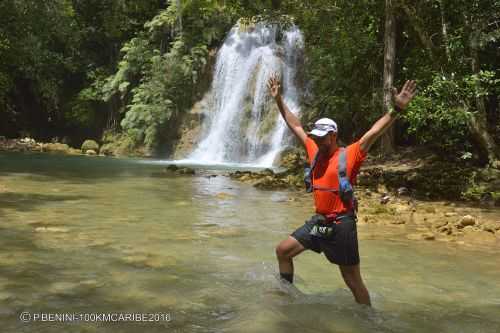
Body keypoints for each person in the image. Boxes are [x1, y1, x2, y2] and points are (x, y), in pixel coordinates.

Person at [267, 74, 417, 306]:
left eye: (322, 138)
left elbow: (374, 132)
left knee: (352, 279)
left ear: (333, 135)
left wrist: (396, 109)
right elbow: (295, 125)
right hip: (320, 223)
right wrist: (279, 100)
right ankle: (285, 298)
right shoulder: (314, 150)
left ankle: (368, 319)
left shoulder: (350, 154)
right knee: (283, 251)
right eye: (315, 137)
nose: (317, 141)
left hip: (341, 225)